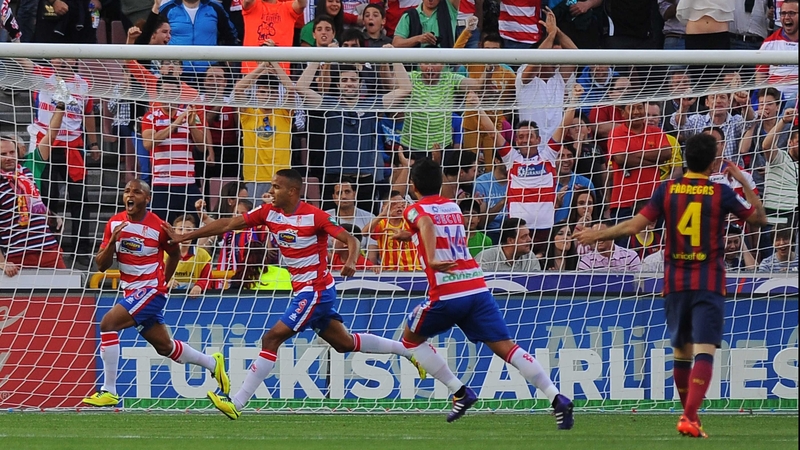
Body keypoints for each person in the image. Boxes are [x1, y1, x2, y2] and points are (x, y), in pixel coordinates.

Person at [164, 169, 426, 419]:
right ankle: (406, 349)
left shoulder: (315, 216)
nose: (271, 191)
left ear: (292, 191)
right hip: (305, 290)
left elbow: (351, 239)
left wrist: (351, 261)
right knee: (344, 343)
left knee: (271, 338)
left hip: (315, 290)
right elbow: (228, 224)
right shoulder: (269, 212)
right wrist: (183, 236)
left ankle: (236, 402)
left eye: (276, 187)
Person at [574, 133, 767, 438]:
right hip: (708, 280)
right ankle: (689, 416)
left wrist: (596, 235)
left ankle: (690, 416)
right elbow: (759, 219)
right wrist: (743, 182)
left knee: (681, 351)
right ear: (712, 163)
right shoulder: (720, 192)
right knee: (705, 350)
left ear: (685, 159)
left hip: (675, 281)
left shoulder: (667, 189)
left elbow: (634, 226)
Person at [390, 158, 574, 427]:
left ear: (413, 186)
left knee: (410, 341)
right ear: (440, 184)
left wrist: (432, 258)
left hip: (447, 291)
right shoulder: (454, 207)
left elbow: (427, 224)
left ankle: (459, 392)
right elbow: (432, 227)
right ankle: (556, 397)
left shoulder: (414, 210)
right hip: (476, 287)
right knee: (508, 349)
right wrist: (406, 235)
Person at [83, 179, 229, 407]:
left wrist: (162, 282)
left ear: (147, 198)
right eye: (127, 191)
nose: (130, 195)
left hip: (151, 291)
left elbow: (175, 254)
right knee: (164, 347)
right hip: (130, 292)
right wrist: (112, 242)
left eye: (136, 192)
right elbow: (101, 265)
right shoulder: (114, 224)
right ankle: (212, 363)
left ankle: (109, 390)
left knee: (108, 324)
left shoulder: (158, 226)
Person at [166, 214, 212, 298]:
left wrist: (199, 285)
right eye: (180, 229)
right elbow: (156, 276)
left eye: (189, 229)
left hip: (193, 299)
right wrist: (166, 282)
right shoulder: (164, 254)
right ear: (174, 231)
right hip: (168, 297)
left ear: (194, 232)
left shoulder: (202, 255)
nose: (184, 233)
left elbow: (207, 278)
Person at [474, 218, 542, 272]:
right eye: (524, 237)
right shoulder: (484, 259)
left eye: (528, 235)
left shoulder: (530, 257)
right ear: (510, 240)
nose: (530, 240)